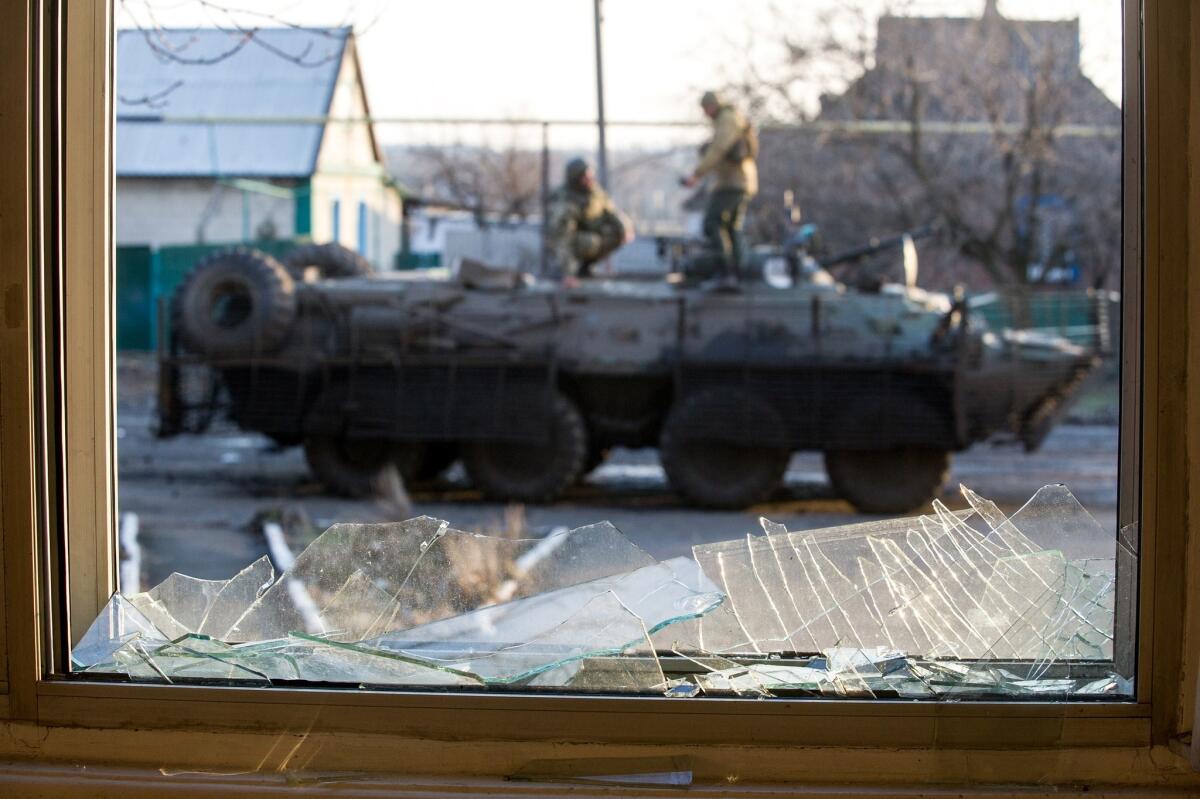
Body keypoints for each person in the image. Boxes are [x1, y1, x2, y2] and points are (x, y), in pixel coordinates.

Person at [682, 90, 758, 288]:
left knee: (712, 221)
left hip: (733, 183)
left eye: (706, 109)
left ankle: (725, 268)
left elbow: (719, 149)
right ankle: (735, 272)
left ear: (712, 106)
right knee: (731, 227)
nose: (705, 113)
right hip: (739, 182)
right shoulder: (729, 118)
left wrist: (697, 174)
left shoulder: (727, 119)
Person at [546, 157, 632, 284]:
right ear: (577, 178)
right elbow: (562, 238)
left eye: (591, 175)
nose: (590, 178)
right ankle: (570, 270)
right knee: (590, 242)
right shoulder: (565, 202)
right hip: (570, 244)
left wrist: (624, 227)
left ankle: (585, 267)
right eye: (586, 176)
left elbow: (611, 211)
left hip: (588, 235)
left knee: (614, 233)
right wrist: (568, 274)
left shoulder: (594, 192)